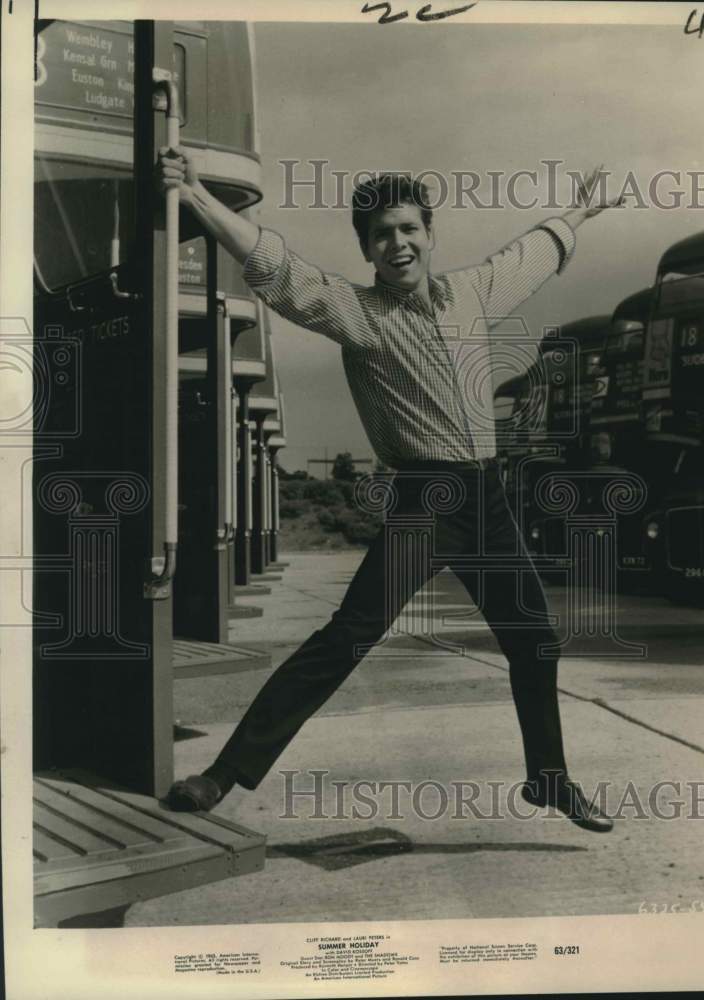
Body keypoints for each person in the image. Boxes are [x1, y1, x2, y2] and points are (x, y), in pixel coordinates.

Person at [158, 148, 623, 832]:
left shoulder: (475, 290)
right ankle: (221, 775)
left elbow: (534, 250)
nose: (397, 243)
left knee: (535, 641)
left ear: (428, 235)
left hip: (488, 500)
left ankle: (547, 781)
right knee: (345, 638)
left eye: (407, 229)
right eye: (381, 235)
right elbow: (284, 273)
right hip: (425, 502)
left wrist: (580, 210)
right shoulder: (356, 314)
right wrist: (198, 199)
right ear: (368, 251)